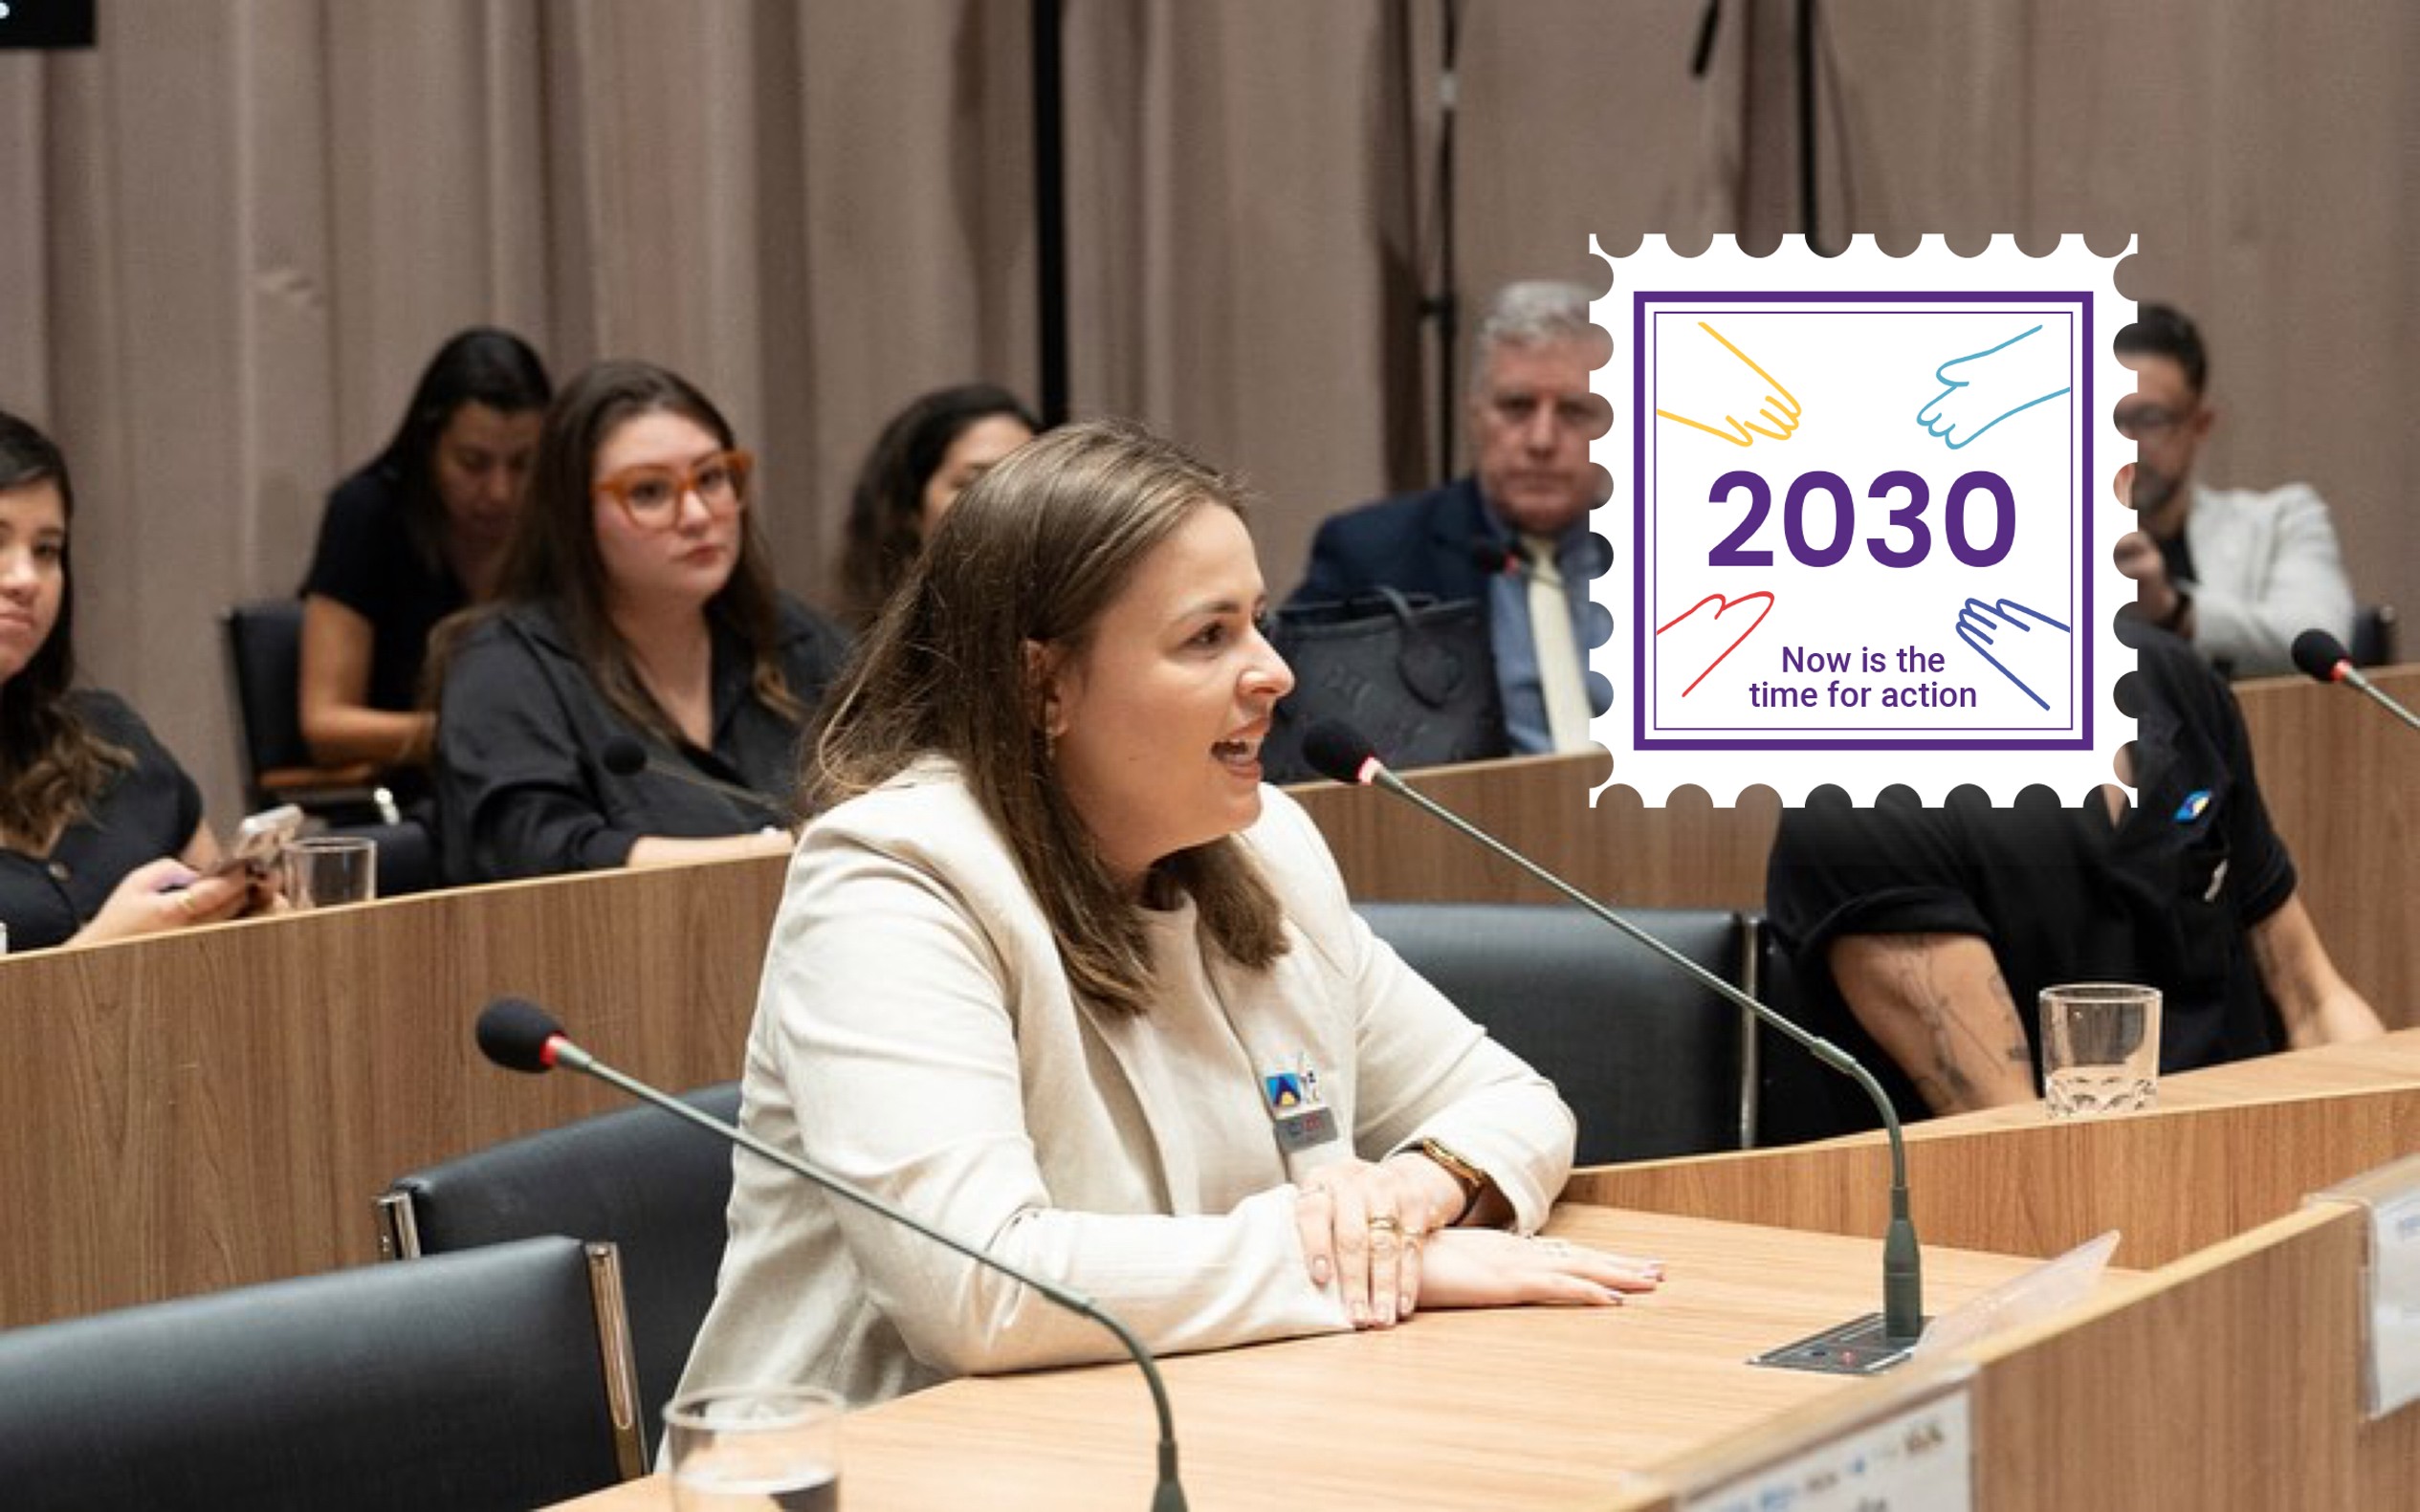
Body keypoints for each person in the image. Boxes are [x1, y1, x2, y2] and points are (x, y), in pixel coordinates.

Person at [678, 419, 1660, 1409]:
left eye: (1257, 621)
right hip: (863, 1459)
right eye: (1207, 636)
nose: (1275, 672)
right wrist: (1354, 1264)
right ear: (1043, 684)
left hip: (1187, 1422)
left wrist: (1408, 1199)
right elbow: (975, 1286)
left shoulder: (1267, 847)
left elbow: (1512, 1100)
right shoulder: (893, 880)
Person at [1763, 617, 2384, 1134]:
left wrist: (2396, 1153)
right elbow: (2021, 1138)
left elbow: (2314, 1000)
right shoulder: (1856, 792)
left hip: (2263, 1166)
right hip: (2037, 1217)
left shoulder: (2171, 679)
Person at [430, 360, 849, 884]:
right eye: (649, 491)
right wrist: (774, 851)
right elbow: (537, 857)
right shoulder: (504, 667)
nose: (697, 515)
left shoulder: (789, 636)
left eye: (711, 477)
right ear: (575, 518)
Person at [1288, 280, 1611, 755]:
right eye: (1517, 407)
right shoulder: (1371, 556)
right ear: (1475, 416)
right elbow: (1295, 733)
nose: (1541, 440)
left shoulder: (1680, 557)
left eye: (1576, 412)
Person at [0, 410, 262, 950]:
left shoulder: (112, 743)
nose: (25, 579)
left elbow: (219, 952)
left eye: (46, 550)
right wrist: (93, 957)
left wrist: (257, 927)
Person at [298, 328, 553, 788]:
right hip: (414, 794)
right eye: (473, 463)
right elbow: (325, 724)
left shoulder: (558, 518)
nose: (500, 491)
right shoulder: (367, 512)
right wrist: (467, 734)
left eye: (523, 464)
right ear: (428, 445)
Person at [2112, 303, 2356, 678]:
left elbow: (2323, 642)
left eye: (2150, 419)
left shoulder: (2281, 522)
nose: (2123, 442)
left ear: (2200, 425)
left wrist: (2173, 609)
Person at [834, 383, 1039, 627]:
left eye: (1025, 482)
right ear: (910, 506)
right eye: (976, 483)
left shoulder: (1062, 631)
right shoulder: (837, 644)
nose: (1006, 500)